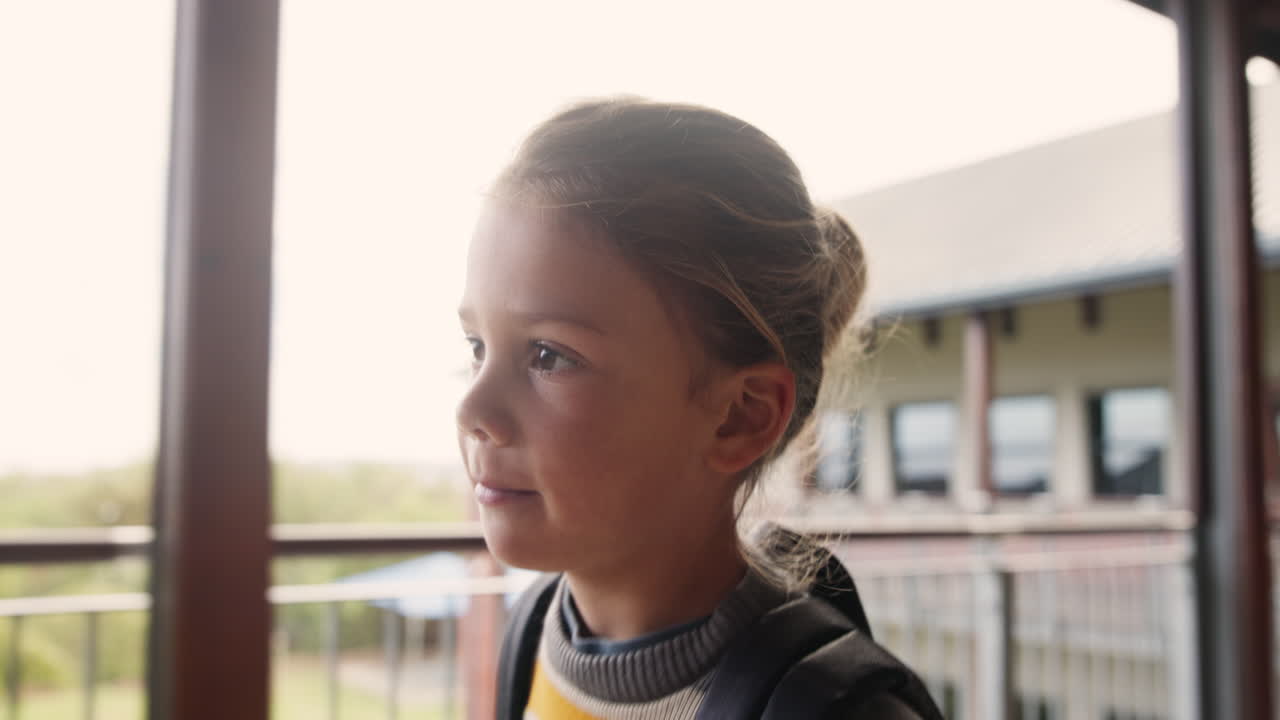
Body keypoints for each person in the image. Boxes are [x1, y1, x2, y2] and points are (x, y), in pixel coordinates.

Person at [456, 97, 942, 719]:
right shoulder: (531, 635)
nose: (473, 408)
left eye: (549, 356)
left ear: (739, 416)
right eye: (477, 347)